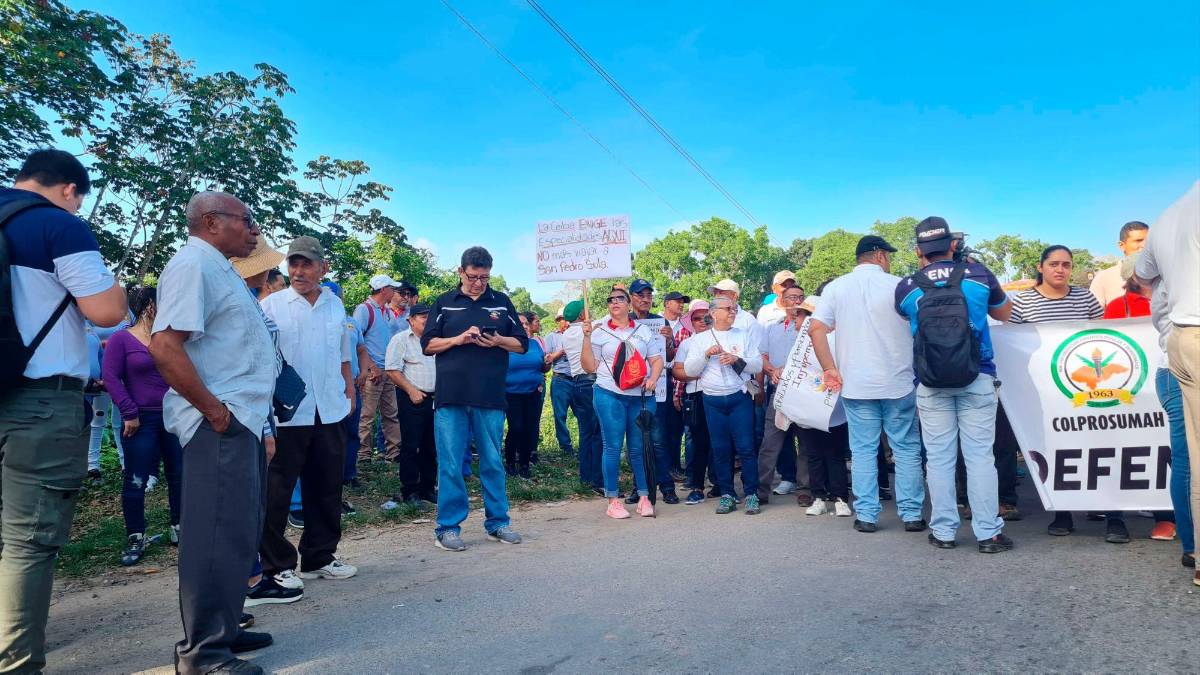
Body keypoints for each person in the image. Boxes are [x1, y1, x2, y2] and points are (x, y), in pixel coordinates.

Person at [0, 149, 127, 673]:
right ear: (70, 189)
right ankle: (17, 664)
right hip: (36, 400)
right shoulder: (58, 226)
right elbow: (107, 311)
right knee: (26, 539)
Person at [151, 191, 277, 674]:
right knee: (215, 535)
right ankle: (203, 654)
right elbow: (165, 347)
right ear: (210, 221)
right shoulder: (192, 264)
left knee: (238, 531)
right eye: (246, 221)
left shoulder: (220, 265)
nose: (254, 231)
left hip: (239, 419)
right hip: (217, 423)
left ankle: (225, 630)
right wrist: (214, 411)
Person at [895, 217, 1014, 553]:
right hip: (977, 375)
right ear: (953, 244)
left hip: (930, 382)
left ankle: (944, 532)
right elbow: (1005, 313)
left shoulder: (906, 286)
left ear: (919, 250)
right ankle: (988, 533)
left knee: (939, 458)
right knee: (979, 457)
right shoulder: (978, 275)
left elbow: (907, 318)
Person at [256, 236, 357, 608]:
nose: (298, 271)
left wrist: (349, 392)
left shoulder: (334, 305)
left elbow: (343, 356)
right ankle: (276, 565)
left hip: (329, 408)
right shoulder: (273, 306)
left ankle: (320, 556)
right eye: (293, 265)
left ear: (322, 268)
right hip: (287, 413)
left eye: (306, 264)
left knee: (327, 486)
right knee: (277, 491)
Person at [809, 235, 927, 534]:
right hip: (898, 380)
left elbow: (816, 329)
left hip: (857, 383)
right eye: (887, 255)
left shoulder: (836, 288)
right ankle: (912, 514)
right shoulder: (900, 285)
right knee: (906, 448)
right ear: (878, 256)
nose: (888, 260)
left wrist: (830, 368)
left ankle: (867, 515)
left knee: (862, 449)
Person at [1010, 245, 1123, 542]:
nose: (1060, 269)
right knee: (1058, 451)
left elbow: (1103, 334)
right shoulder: (1023, 302)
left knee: (1101, 449)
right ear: (1041, 266)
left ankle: (1114, 515)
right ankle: (1063, 512)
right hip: (1046, 392)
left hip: (1087, 390)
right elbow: (1011, 345)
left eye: (1066, 265)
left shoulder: (1085, 297)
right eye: (1054, 264)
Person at [421, 246, 526, 551]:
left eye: (485, 277)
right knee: (451, 463)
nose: (480, 283)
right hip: (451, 396)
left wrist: (498, 340)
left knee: (493, 461)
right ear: (460, 272)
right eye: (474, 277)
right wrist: (457, 339)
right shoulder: (444, 303)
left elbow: (521, 344)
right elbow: (428, 345)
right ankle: (448, 528)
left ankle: (498, 523)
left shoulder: (502, 302)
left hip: (490, 395)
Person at [1134, 181, 1200, 585]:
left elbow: (1142, 276)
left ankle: (1193, 548)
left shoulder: (1168, 218)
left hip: (1177, 347)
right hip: (1184, 344)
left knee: (1190, 458)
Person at [102, 287, 184, 566]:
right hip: (140, 420)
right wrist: (129, 411)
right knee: (135, 480)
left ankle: (179, 527)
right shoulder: (121, 340)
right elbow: (110, 377)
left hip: (173, 417)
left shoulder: (170, 338)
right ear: (150, 306)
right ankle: (136, 535)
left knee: (179, 474)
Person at [582, 286, 664, 518]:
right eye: (610, 299)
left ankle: (644, 497)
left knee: (638, 448)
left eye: (620, 298)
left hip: (639, 397)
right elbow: (589, 367)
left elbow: (656, 361)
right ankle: (613, 500)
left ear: (629, 304)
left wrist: (653, 379)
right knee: (613, 446)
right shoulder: (598, 332)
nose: (615, 302)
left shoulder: (642, 330)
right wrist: (586, 337)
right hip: (609, 394)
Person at [684, 295, 764, 515]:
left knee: (746, 448)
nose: (732, 312)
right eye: (727, 309)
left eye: (734, 309)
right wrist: (705, 354)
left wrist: (737, 359)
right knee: (720, 449)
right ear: (713, 312)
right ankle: (728, 494)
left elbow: (757, 364)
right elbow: (690, 370)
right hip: (712, 400)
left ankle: (751, 494)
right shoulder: (700, 340)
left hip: (739, 398)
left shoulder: (743, 334)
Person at [757, 284, 811, 505]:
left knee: (806, 442)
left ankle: (805, 489)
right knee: (771, 441)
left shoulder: (812, 328)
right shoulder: (772, 328)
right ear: (782, 300)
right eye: (790, 297)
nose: (795, 301)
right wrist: (772, 370)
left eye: (799, 297)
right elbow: (761, 356)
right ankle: (760, 489)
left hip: (804, 390)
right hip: (779, 389)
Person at [627, 278, 680, 504]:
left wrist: (669, 342)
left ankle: (666, 487)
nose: (645, 299)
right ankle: (639, 488)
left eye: (649, 295)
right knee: (636, 442)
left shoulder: (660, 321)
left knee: (659, 441)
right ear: (631, 298)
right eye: (640, 295)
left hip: (656, 389)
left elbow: (668, 357)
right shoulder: (623, 321)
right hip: (629, 390)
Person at [383, 303, 438, 507]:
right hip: (411, 398)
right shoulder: (400, 340)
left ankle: (428, 488)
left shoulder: (435, 340)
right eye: (423, 317)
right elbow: (392, 370)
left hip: (435, 400)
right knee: (411, 446)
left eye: (430, 317)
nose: (427, 320)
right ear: (411, 320)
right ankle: (410, 491)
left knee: (430, 447)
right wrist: (411, 390)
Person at [352, 274, 400, 463]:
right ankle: (363, 454)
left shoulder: (386, 311)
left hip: (388, 370)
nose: (394, 292)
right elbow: (358, 342)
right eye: (392, 288)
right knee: (367, 415)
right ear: (383, 290)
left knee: (391, 413)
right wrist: (371, 368)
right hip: (373, 372)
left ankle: (393, 452)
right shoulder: (364, 310)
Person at [559, 300, 605, 494]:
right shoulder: (588, 330)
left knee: (585, 433)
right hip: (591, 381)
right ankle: (598, 481)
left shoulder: (566, 334)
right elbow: (607, 321)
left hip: (577, 382)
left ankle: (585, 478)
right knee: (598, 433)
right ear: (580, 315)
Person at [673, 300, 716, 505]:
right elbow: (677, 371)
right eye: (696, 318)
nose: (702, 321)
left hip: (720, 395)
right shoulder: (686, 344)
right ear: (691, 321)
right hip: (696, 395)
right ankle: (697, 486)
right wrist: (697, 375)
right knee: (699, 443)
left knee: (722, 443)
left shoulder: (722, 338)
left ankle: (721, 485)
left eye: (705, 317)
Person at [503, 313, 548, 477]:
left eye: (525, 324)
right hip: (511, 393)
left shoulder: (535, 344)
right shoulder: (505, 345)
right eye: (519, 323)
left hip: (533, 392)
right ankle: (509, 461)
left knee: (529, 428)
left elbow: (542, 367)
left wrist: (547, 365)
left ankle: (524, 464)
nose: (523, 326)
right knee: (516, 427)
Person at [661, 291, 690, 480]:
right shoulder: (654, 322)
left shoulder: (685, 327)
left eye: (682, 302)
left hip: (677, 378)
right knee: (658, 427)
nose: (680, 305)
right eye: (677, 302)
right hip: (657, 376)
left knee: (675, 427)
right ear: (666, 303)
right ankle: (659, 467)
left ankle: (673, 466)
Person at [1090, 220, 1149, 307]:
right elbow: (1095, 316)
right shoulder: (1104, 278)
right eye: (1138, 240)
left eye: (1149, 240)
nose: (1144, 245)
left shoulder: (1163, 274)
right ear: (1122, 245)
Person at [543, 310, 575, 455]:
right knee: (560, 414)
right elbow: (547, 359)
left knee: (583, 414)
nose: (567, 323)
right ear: (558, 321)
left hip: (579, 379)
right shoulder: (551, 337)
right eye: (563, 319)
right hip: (561, 379)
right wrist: (563, 350)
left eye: (569, 319)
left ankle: (586, 445)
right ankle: (565, 446)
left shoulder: (578, 334)